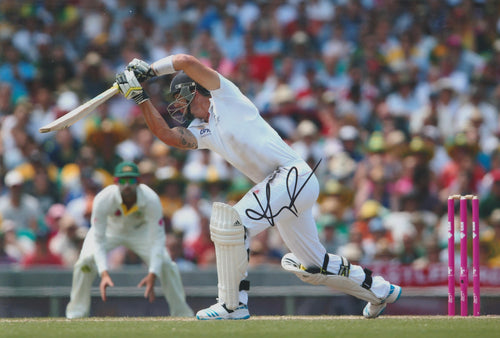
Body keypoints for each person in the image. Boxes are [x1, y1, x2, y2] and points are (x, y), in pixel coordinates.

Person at [114, 54, 401, 320]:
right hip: (285, 186)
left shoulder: (226, 96)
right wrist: (140, 97)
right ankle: (381, 290)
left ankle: (233, 304)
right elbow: (167, 135)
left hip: (292, 176)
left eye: (180, 97)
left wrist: (151, 70)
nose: (178, 106)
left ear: (195, 90)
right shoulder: (204, 130)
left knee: (231, 225)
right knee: (315, 266)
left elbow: (186, 61)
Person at [65, 161, 193, 319]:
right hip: (110, 231)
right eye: (122, 180)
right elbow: (97, 238)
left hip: (141, 232)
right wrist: (104, 273)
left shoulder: (151, 198)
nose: (127, 185)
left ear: (138, 182)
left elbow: (158, 239)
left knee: (167, 265)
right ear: (115, 182)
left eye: (131, 180)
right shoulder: (103, 198)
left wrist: (153, 273)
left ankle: (182, 314)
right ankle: (76, 313)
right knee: (84, 263)